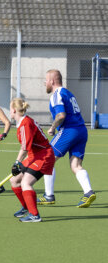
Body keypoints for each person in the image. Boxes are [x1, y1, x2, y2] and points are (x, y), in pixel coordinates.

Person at [38, 69, 96, 207]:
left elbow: (61, 115)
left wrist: (52, 128)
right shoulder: (68, 93)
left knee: (48, 159)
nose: (44, 83)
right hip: (82, 130)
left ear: (52, 81)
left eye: (46, 80)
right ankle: (88, 193)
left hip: (69, 131)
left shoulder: (56, 95)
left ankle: (48, 195)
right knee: (76, 165)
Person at [9, 98, 55, 222]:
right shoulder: (23, 122)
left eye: (10, 109)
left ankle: (34, 215)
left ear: (13, 110)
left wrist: (17, 162)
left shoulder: (25, 124)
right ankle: (26, 207)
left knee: (25, 183)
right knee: (14, 180)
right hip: (34, 155)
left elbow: (24, 147)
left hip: (43, 156)